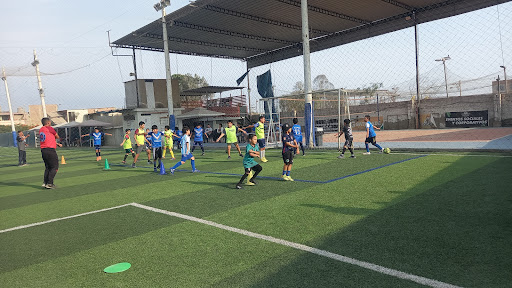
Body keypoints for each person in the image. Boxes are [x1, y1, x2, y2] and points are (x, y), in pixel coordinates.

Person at [39, 117, 62, 189]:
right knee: (55, 167)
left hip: (43, 150)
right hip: (50, 150)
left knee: (48, 167)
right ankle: (50, 183)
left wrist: (56, 143)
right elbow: (57, 136)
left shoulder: (41, 129)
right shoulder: (50, 128)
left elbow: (48, 138)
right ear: (48, 122)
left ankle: (45, 182)